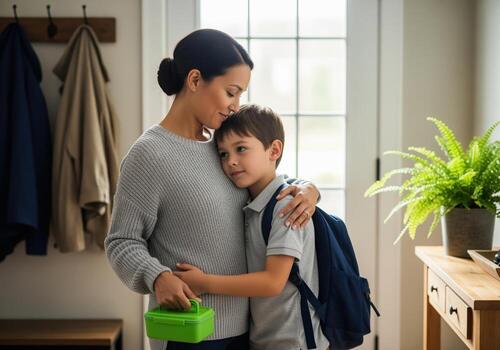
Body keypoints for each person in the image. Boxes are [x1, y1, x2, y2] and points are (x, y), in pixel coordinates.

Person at [104, 29, 320, 350]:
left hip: (247, 330)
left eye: (241, 95)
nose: (236, 106)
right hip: (188, 332)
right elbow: (121, 241)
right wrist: (158, 277)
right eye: (231, 91)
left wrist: (308, 189)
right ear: (194, 81)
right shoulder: (149, 155)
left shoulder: (223, 147)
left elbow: (266, 180)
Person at [174, 104, 330, 350]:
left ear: (274, 150)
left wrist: (204, 282)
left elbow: (272, 282)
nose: (231, 161)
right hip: (267, 339)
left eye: (241, 149)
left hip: (293, 342)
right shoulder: (253, 203)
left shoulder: (285, 206)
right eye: (223, 154)